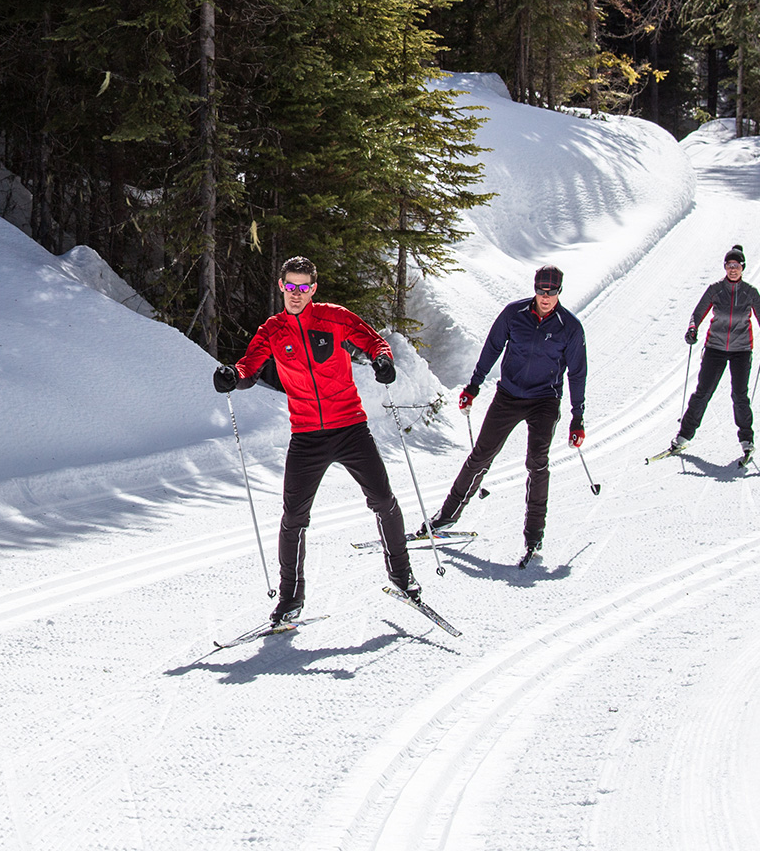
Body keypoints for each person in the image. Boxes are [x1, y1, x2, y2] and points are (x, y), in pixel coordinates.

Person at [212, 255, 417, 624]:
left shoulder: (334, 317)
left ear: (313, 290)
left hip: (350, 427)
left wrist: (383, 362)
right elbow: (249, 367)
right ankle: (290, 597)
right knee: (293, 518)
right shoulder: (272, 331)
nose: (296, 294)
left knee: (383, 500)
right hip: (306, 436)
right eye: (290, 286)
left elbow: (374, 343)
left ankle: (402, 575)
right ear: (281, 286)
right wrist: (232, 374)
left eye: (303, 287)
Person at [420, 265, 587, 559]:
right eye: (541, 291)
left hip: (544, 400)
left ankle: (534, 537)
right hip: (508, 396)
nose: (545, 297)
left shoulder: (570, 327)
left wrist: (577, 417)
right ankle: (446, 517)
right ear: (534, 289)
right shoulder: (514, 314)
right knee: (481, 456)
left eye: (552, 292)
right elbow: (492, 348)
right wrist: (473, 386)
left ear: (560, 291)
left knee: (537, 463)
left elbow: (577, 373)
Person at [665, 244, 760, 461]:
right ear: (725, 267)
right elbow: (697, 313)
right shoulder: (715, 289)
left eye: (736, 265)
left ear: (743, 268)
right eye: (729, 265)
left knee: (739, 395)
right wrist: (692, 329)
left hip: (741, 350)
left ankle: (747, 441)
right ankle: (683, 437)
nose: (733, 269)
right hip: (715, 348)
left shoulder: (750, 292)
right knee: (703, 393)